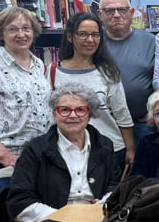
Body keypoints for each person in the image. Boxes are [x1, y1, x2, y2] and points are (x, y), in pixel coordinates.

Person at [6, 85, 118, 222]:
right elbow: (19, 202)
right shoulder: (35, 149)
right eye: (64, 110)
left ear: (90, 114)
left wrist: (103, 206)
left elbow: (114, 187)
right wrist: (62, 218)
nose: (72, 115)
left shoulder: (104, 145)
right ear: (54, 114)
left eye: (80, 110)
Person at [0, 7, 51, 177]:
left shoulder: (37, 64)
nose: (21, 34)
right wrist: (4, 156)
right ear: (1, 33)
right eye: (13, 29)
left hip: (33, 155)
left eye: (26, 28)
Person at [48, 12, 134, 167]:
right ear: (70, 37)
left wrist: (130, 149)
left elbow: (122, 114)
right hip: (66, 151)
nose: (90, 40)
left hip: (109, 150)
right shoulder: (53, 71)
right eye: (82, 34)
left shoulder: (108, 73)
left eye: (95, 35)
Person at [98, 0, 156, 146]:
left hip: (144, 124)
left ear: (131, 13)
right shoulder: (93, 43)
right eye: (110, 11)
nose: (116, 15)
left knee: (143, 169)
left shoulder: (151, 41)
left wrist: (155, 113)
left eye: (122, 10)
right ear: (100, 14)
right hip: (105, 125)